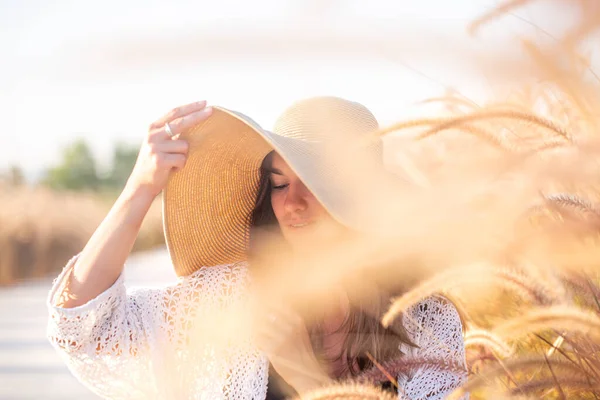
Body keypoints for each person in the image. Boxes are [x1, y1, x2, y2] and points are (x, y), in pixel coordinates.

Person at [46, 96, 469, 399]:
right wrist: (138, 191)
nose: (292, 203)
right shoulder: (229, 299)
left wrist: (306, 377)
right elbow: (85, 329)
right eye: (279, 183)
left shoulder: (426, 321)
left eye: (316, 184)